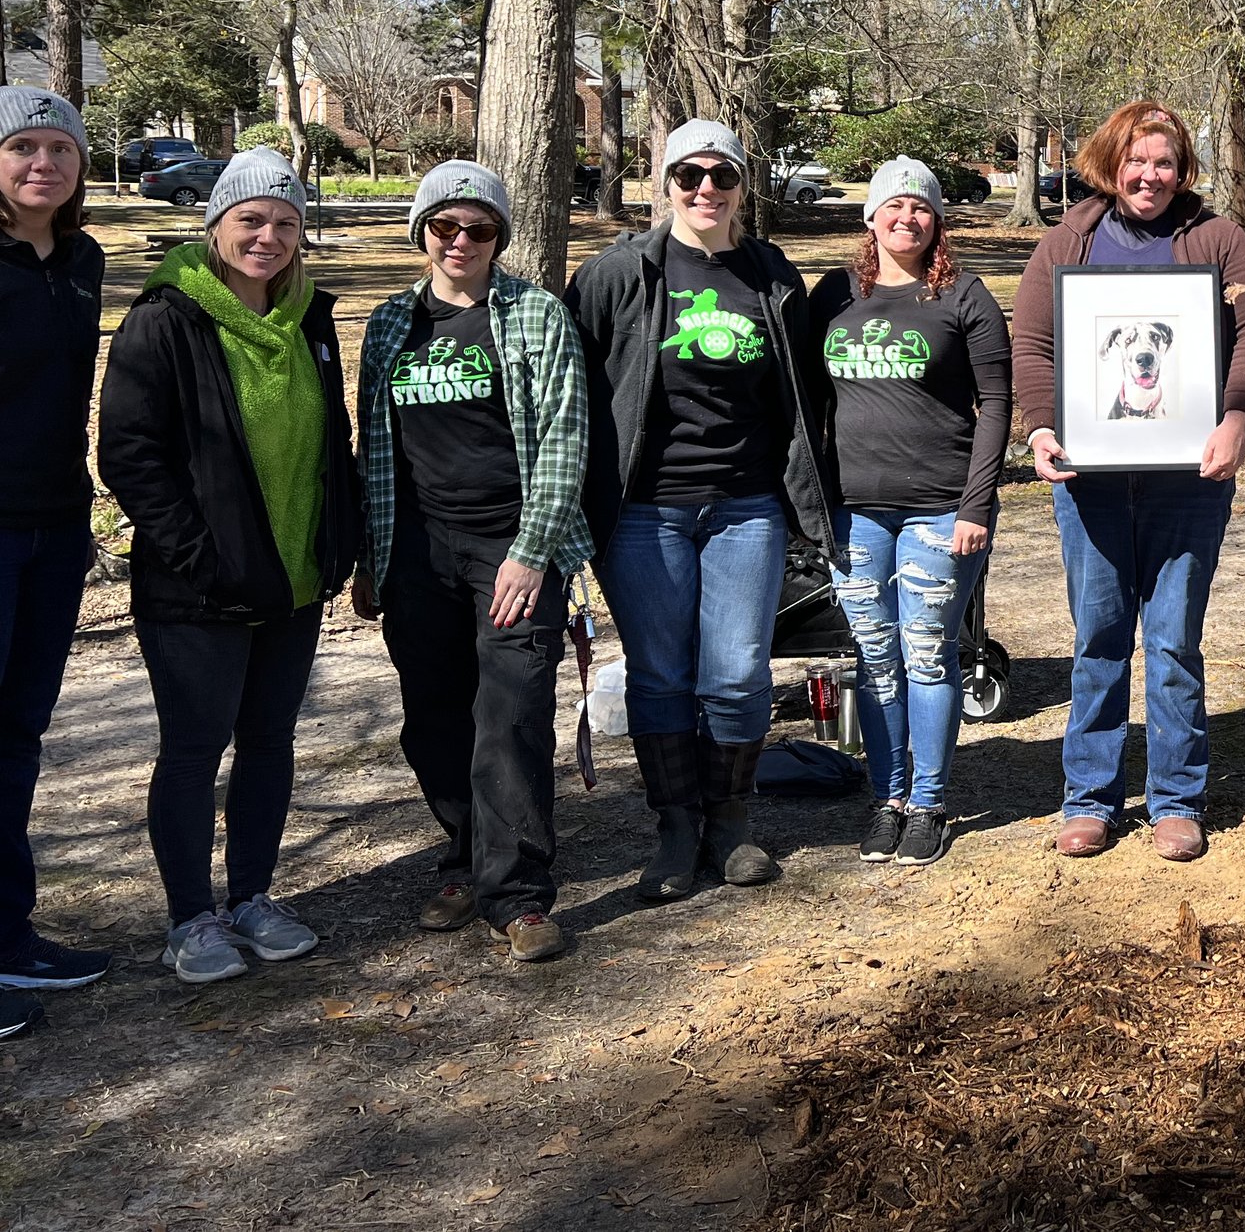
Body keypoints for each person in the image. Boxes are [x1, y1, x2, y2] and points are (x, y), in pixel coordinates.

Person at [97, 149, 359, 984]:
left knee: (270, 741)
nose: (269, 236)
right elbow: (130, 457)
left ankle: (251, 896)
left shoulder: (310, 317)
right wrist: (200, 558)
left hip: (292, 580)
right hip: (197, 588)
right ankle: (190, 918)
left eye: (286, 222)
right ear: (215, 224)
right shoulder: (165, 318)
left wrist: (337, 538)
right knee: (194, 748)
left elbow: (334, 442)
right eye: (251, 219)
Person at [568, 119, 831, 901]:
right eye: (689, 175)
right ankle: (676, 826)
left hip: (746, 506)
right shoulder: (618, 274)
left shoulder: (770, 274)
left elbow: (802, 392)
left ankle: (730, 821)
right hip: (645, 510)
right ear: (666, 182)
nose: (706, 189)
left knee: (740, 671)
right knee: (660, 675)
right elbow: (576, 393)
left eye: (722, 175)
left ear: (744, 185)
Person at [1011, 100, 1245, 862]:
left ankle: (1176, 799)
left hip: (1188, 477)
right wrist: (1042, 426)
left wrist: (1235, 416)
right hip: (1090, 481)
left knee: (1173, 639)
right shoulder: (1067, 244)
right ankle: (1088, 796)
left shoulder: (1218, 239)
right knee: (1098, 637)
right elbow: (1032, 341)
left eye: (1163, 162)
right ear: (1109, 163)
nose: (1148, 175)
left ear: (1181, 168)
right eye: (1135, 160)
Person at [352, 162, 593, 962]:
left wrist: (531, 553)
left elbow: (564, 439)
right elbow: (372, 449)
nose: (460, 241)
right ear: (421, 232)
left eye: (478, 228)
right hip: (419, 550)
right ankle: (465, 852)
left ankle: (518, 894)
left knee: (512, 715)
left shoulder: (534, 316)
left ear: (499, 238)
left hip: (511, 546)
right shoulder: (389, 325)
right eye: (445, 227)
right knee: (434, 718)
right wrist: (371, 558)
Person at [811, 157, 1011, 868]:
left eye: (921, 207)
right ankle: (886, 798)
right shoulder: (834, 293)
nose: (907, 217)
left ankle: (928, 801)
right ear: (871, 216)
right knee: (873, 658)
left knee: (927, 653)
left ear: (937, 220)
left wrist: (975, 505)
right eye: (893, 206)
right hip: (854, 512)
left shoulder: (964, 295)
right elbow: (808, 404)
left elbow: (996, 410)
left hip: (939, 510)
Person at [0, 90, 112, 1033]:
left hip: (52, 524)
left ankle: (10, 935)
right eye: (22, 146)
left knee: (17, 738)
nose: (43, 163)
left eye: (60, 147)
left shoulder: (80, 259)